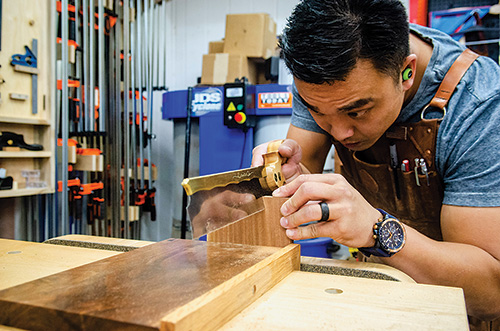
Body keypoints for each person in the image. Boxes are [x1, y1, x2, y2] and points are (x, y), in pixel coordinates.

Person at [251, 0, 500, 328]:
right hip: (382, 292)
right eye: (317, 111)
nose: (340, 132)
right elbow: (300, 174)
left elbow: (489, 294)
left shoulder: (479, 107)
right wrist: (284, 180)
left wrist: (376, 229)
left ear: (406, 72)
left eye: (357, 111)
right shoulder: (322, 81)